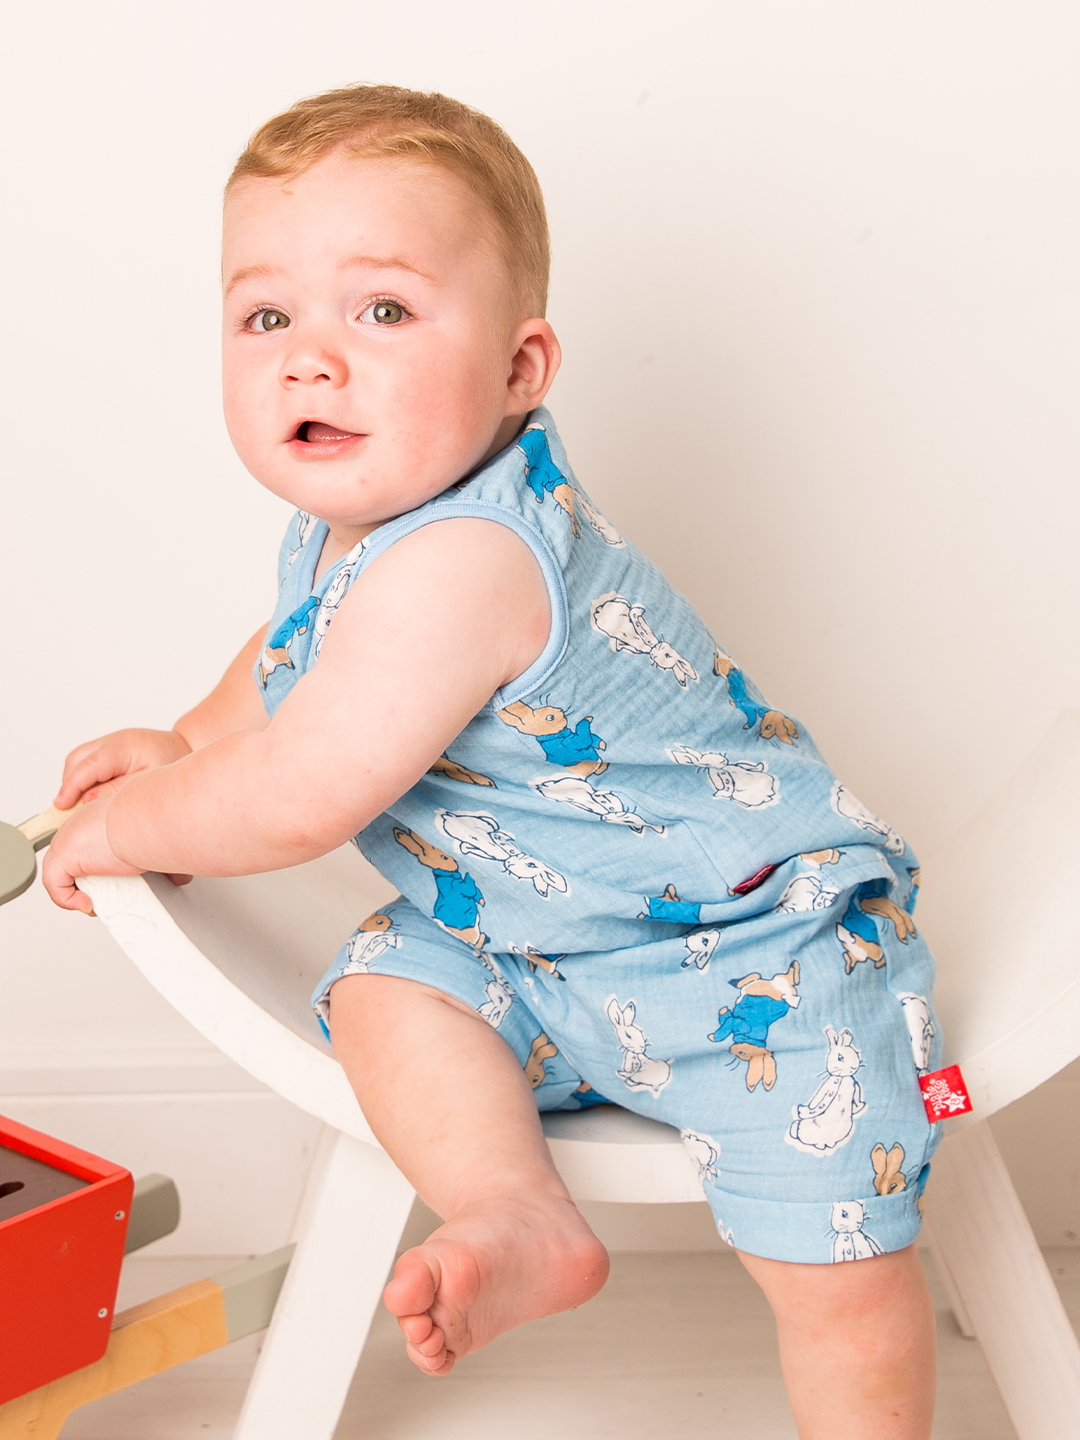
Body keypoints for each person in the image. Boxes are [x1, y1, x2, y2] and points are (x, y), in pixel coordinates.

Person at [43, 85, 940, 1438]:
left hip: (760, 955)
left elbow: (301, 793)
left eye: (382, 310)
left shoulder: (466, 558)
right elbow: (291, 660)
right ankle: (514, 1208)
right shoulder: (367, 525)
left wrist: (134, 822)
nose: (311, 361)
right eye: (267, 317)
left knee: (837, 1278)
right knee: (388, 988)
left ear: (522, 369)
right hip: (534, 940)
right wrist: (187, 743)